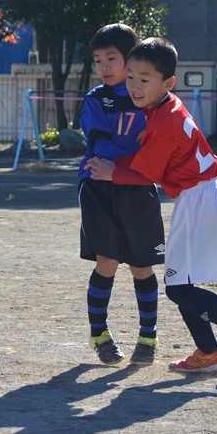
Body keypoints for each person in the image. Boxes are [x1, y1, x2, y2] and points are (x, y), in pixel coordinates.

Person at [86, 37, 217, 374]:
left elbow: (142, 175)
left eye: (144, 79)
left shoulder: (161, 123)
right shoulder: (167, 106)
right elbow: (162, 145)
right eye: (131, 77)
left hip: (200, 201)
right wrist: (147, 137)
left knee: (178, 287)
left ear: (167, 83)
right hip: (205, 195)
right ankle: (207, 351)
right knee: (180, 282)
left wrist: (111, 172)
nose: (135, 86)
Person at [78, 24, 165, 366]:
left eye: (111, 58)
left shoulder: (151, 99)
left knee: (142, 266)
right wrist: (135, 158)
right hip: (98, 186)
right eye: (98, 59)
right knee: (108, 262)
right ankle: (98, 333)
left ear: (131, 58)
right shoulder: (96, 98)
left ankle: (148, 336)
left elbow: (158, 147)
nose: (104, 66)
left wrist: (132, 165)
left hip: (137, 186)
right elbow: (99, 145)